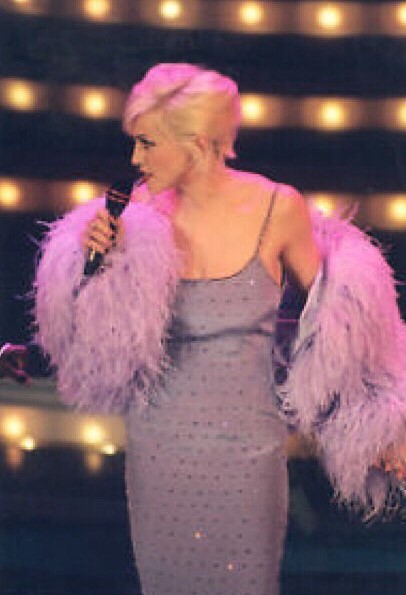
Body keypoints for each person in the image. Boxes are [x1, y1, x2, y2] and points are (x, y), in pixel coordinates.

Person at [33, 63, 406, 595]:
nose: (135, 159)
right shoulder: (133, 217)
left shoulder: (278, 208)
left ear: (199, 143)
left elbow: (341, 322)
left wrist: (384, 423)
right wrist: (95, 268)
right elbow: (96, 349)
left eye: (147, 143)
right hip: (159, 447)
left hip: (247, 451)